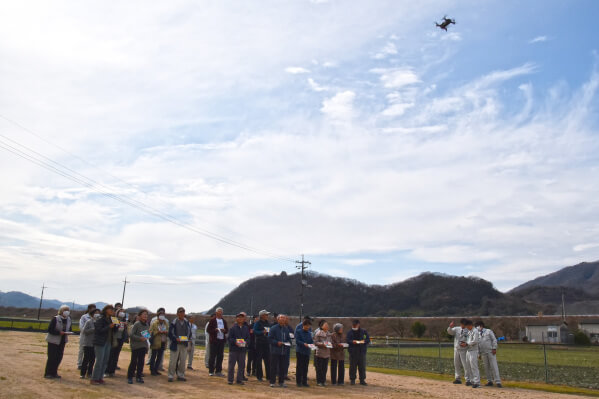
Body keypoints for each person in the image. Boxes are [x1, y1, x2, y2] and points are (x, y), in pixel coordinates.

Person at [44, 304, 72, 379]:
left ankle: (54, 372)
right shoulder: (55, 318)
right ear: (61, 311)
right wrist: (59, 333)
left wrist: (68, 332)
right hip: (53, 340)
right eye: (65, 310)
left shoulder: (69, 319)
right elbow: (50, 330)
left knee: (59, 357)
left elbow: (70, 328)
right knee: (52, 357)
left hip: (62, 341)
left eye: (68, 311)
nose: (67, 312)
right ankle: (48, 373)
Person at [91, 304, 116, 385]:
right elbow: (98, 330)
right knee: (99, 361)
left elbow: (114, 331)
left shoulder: (112, 319)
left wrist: (116, 326)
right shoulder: (100, 319)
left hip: (108, 342)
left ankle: (100, 377)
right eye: (110, 309)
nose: (112, 311)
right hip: (100, 342)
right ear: (106, 310)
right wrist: (109, 326)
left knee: (105, 361)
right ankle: (94, 378)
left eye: (113, 310)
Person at [475, 321, 502, 388]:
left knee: (494, 366)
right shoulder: (477, 334)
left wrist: (494, 348)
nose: (477, 328)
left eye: (477, 326)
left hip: (490, 351)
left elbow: (494, 340)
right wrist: (479, 354)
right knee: (486, 367)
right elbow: (477, 344)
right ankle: (489, 381)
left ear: (481, 326)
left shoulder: (488, 331)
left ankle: (498, 382)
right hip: (483, 353)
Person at [168, 307, 192, 382]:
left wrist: (187, 338)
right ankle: (170, 375)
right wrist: (175, 338)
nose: (182, 314)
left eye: (183, 312)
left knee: (183, 360)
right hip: (175, 344)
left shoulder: (186, 322)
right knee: (173, 361)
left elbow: (189, 332)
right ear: (177, 313)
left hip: (184, 344)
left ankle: (181, 375)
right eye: (180, 312)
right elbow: (170, 333)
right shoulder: (174, 322)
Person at [227, 312, 250, 385]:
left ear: (244, 319)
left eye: (242, 318)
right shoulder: (232, 328)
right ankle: (230, 380)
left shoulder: (246, 328)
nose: (240, 319)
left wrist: (246, 342)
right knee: (231, 365)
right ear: (236, 319)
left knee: (241, 366)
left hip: (242, 350)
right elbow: (229, 338)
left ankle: (239, 380)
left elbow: (248, 338)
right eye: (239, 317)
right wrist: (235, 342)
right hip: (234, 349)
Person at [127, 309, 149, 384]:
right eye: (144, 314)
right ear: (139, 316)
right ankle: (130, 377)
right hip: (136, 346)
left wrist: (148, 336)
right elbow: (131, 335)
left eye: (146, 314)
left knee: (141, 362)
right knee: (133, 362)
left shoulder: (146, 325)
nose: (145, 315)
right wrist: (140, 338)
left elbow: (146, 336)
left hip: (143, 346)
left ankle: (139, 377)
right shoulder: (137, 324)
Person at [268, 314, 290, 388]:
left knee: (282, 367)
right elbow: (269, 339)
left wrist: (287, 342)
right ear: (278, 319)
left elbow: (288, 339)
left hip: (284, 351)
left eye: (284, 318)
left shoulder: (286, 329)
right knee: (273, 367)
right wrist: (277, 342)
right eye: (281, 318)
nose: (283, 320)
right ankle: (272, 382)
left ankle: (281, 381)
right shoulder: (273, 328)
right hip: (275, 350)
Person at [106, 303, 128, 377]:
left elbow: (125, 331)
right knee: (110, 355)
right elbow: (114, 329)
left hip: (121, 339)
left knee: (116, 355)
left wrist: (125, 325)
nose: (122, 313)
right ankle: (107, 370)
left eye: (123, 312)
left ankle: (112, 371)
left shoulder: (124, 321)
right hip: (114, 338)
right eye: (120, 311)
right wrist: (118, 324)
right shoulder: (114, 319)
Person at [346, 319, 370, 386]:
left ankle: (362, 380)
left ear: (358, 325)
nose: (354, 326)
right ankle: (352, 379)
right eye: (353, 325)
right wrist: (352, 342)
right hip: (353, 352)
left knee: (362, 366)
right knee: (352, 367)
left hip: (361, 352)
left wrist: (363, 341)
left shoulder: (363, 331)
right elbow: (347, 340)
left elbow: (368, 339)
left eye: (355, 325)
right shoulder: (349, 332)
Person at [447, 318, 470, 385]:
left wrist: (466, 343)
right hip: (456, 349)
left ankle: (468, 379)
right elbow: (450, 332)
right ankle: (458, 378)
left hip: (464, 350)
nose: (463, 326)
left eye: (464, 325)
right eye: (462, 324)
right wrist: (450, 327)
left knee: (465, 365)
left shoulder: (468, 330)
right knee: (456, 364)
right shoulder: (457, 329)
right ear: (460, 324)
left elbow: (470, 339)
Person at [207, 307, 228, 377]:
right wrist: (215, 330)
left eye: (221, 312)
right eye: (219, 312)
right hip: (214, 341)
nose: (220, 313)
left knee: (220, 356)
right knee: (212, 356)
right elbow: (208, 330)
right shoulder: (212, 320)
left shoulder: (224, 321)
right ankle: (211, 371)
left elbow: (227, 330)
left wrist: (224, 330)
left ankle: (218, 371)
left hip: (221, 340)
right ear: (216, 313)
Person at [80, 308, 100, 379]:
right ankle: (82, 373)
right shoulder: (89, 322)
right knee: (86, 359)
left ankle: (90, 373)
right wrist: (93, 329)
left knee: (92, 360)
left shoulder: (99, 322)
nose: (97, 314)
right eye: (96, 313)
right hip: (88, 343)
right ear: (92, 314)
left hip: (95, 343)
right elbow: (84, 331)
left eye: (98, 313)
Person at [149, 308, 169, 376]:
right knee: (153, 356)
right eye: (161, 315)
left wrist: (166, 332)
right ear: (158, 316)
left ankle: (156, 369)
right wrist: (158, 332)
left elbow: (168, 331)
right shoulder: (154, 323)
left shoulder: (166, 323)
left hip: (163, 341)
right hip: (156, 342)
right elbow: (151, 331)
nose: (162, 316)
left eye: (163, 315)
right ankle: (152, 370)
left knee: (159, 357)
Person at [253, 309, 271, 382]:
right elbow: (255, 331)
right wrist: (262, 332)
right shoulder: (257, 323)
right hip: (259, 343)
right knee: (259, 360)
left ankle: (268, 376)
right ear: (262, 315)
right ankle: (259, 376)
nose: (267, 316)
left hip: (266, 343)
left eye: (267, 315)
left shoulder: (268, 323)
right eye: (266, 315)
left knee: (268, 360)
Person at [295, 319, 314, 387]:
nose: (307, 327)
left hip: (307, 352)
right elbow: (297, 341)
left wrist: (312, 345)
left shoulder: (309, 333)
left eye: (308, 326)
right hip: (300, 351)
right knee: (299, 366)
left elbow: (311, 341)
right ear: (303, 325)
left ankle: (304, 381)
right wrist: (303, 344)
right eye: (306, 326)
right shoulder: (298, 332)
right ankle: (298, 381)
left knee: (305, 367)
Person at [77, 304, 96, 369]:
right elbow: (81, 326)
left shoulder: (96, 318)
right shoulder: (84, 317)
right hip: (84, 335)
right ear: (89, 309)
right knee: (82, 350)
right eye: (92, 308)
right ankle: (79, 363)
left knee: (90, 352)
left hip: (92, 337)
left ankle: (87, 364)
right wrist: (85, 331)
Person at [463, 320, 481, 388]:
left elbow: (475, 341)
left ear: (470, 325)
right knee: (468, 366)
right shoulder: (469, 332)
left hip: (474, 351)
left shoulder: (475, 331)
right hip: (469, 350)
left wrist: (467, 343)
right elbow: (468, 340)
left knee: (474, 367)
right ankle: (472, 380)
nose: (467, 327)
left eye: (467, 326)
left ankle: (477, 382)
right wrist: (465, 343)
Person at [314, 320, 331, 387]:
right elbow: (315, 342)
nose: (327, 326)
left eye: (327, 325)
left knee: (325, 368)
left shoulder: (329, 333)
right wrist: (322, 344)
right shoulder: (318, 333)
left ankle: (323, 381)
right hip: (320, 353)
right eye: (325, 325)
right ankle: (319, 381)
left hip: (327, 353)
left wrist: (329, 344)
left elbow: (330, 342)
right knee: (319, 368)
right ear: (321, 326)